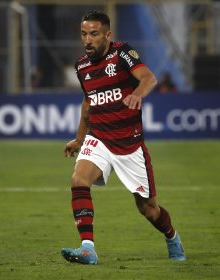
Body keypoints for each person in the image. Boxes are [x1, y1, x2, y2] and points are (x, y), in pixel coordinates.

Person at [61, 10, 185, 265]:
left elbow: (149, 78)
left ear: (107, 34)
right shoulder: (82, 66)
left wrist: (138, 93)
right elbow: (88, 103)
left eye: (94, 34)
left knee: (148, 209)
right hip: (100, 139)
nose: (88, 40)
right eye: (84, 34)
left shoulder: (122, 54)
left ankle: (172, 236)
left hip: (130, 145)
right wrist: (79, 139)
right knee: (78, 180)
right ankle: (88, 248)